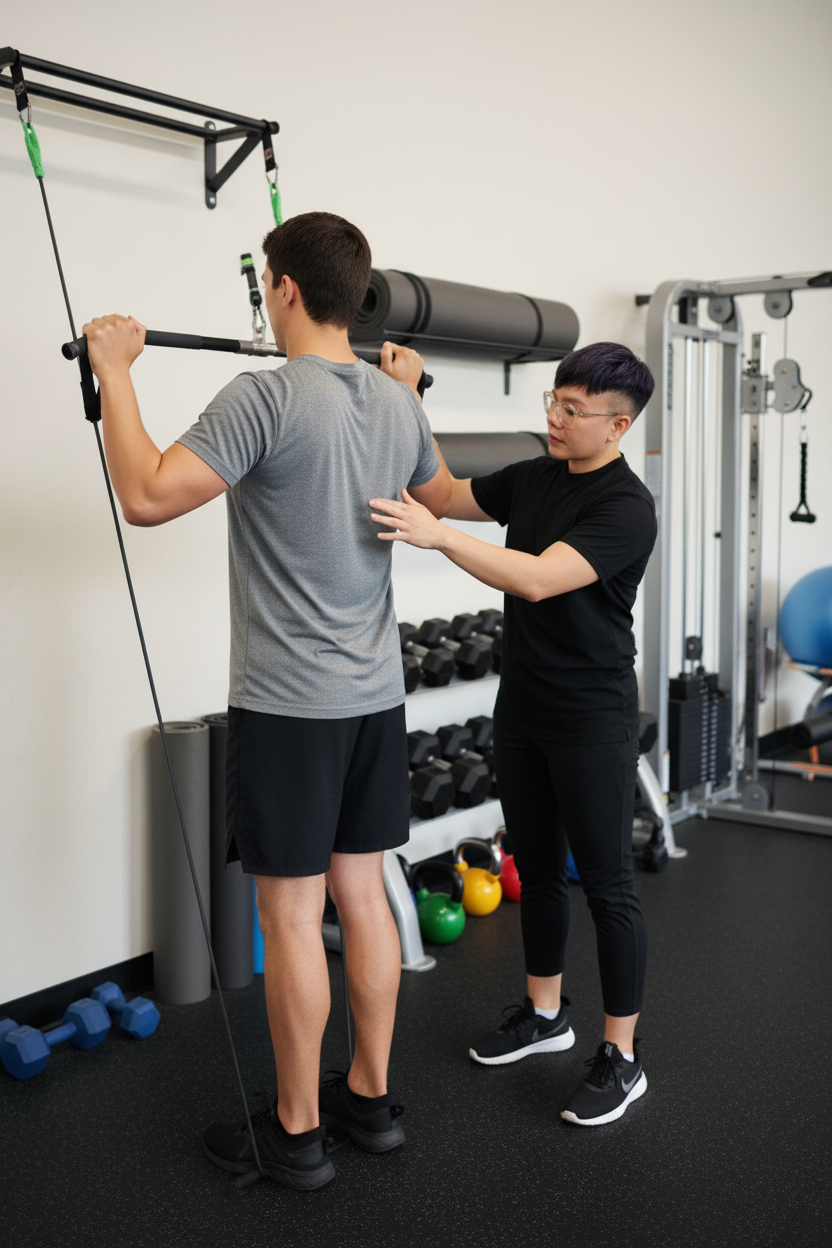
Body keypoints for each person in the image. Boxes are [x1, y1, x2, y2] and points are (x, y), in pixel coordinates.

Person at [83, 211, 450, 1188]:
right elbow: (441, 496)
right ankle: (367, 1105)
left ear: (283, 289)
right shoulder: (395, 400)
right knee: (362, 898)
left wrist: (116, 369)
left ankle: (296, 1132)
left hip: (290, 706)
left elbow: (149, 493)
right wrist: (406, 395)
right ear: (354, 297)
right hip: (376, 696)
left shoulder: (264, 398)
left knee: (291, 918)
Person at [369, 341, 656, 1127]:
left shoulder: (626, 508)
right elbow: (441, 488)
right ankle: (545, 1014)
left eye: (573, 411)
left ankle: (623, 1057)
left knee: (608, 886)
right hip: (523, 706)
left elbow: (534, 575)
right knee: (535, 865)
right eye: (552, 404)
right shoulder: (535, 476)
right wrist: (408, 396)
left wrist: (438, 538)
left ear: (618, 424)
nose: (555, 420)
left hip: (592, 716)